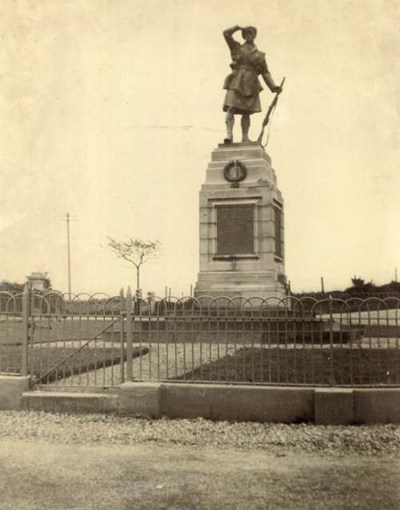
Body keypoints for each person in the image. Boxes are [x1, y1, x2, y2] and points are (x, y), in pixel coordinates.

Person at [222, 25, 282, 143]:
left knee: (246, 112)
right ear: (244, 35)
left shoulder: (259, 55)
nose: (249, 35)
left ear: (255, 35)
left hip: (251, 84)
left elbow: (265, 72)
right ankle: (229, 135)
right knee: (231, 107)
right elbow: (226, 34)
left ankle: (245, 137)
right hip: (237, 81)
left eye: (251, 33)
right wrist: (237, 28)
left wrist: (273, 86)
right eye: (246, 33)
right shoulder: (236, 48)